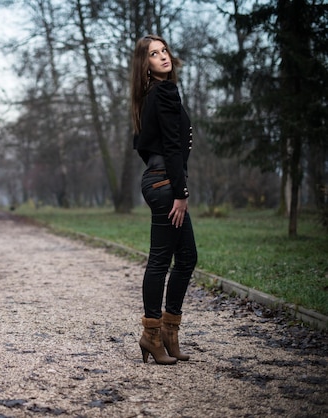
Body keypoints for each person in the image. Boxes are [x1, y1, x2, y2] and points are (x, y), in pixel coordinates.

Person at [130, 35, 198, 365]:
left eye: (164, 50)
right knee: (161, 260)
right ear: (146, 65)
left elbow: (141, 144)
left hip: (158, 181)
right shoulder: (165, 92)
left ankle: (169, 332)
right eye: (154, 55)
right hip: (166, 185)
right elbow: (172, 147)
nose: (163, 57)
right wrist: (180, 193)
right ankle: (152, 335)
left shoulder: (147, 97)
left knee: (186, 258)